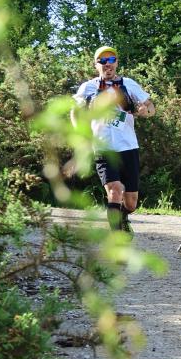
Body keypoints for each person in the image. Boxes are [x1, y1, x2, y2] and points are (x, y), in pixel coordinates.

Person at [72, 46, 155, 236]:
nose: (107, 64)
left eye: (111, 60)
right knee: (114, 191)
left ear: (116, 63)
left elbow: (150, 107)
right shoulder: (88, 87)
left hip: (129, 147)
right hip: (103, 148)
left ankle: (124, 216)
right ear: (96, 65)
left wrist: (145, 111)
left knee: (131, 202)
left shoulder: (129, 84)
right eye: (102, 61)